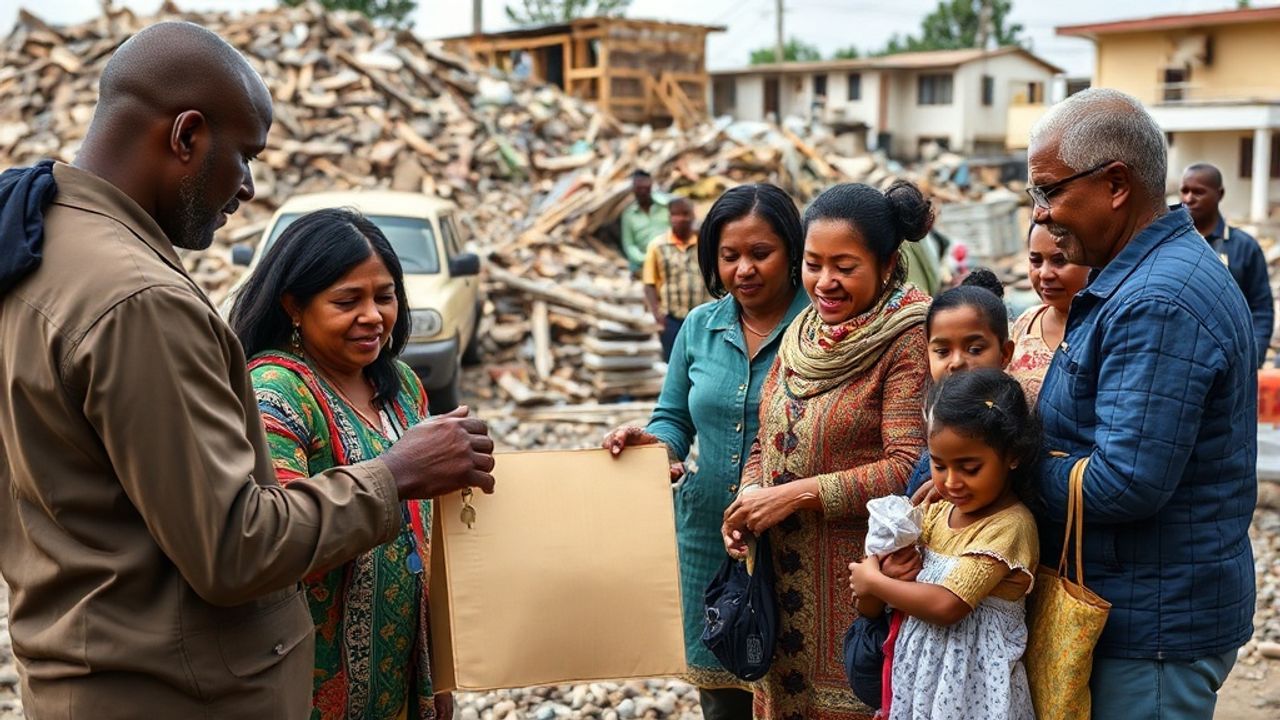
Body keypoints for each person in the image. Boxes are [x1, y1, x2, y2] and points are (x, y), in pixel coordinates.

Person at [0, 23, 494, 718]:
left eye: (384, 296)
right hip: (170, 694)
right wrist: (398, 473)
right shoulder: (138, 300)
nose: (249, 188)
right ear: (186, 136)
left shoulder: (38, 245)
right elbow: (236, 548)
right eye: (245, 156)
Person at [1027, 87, 1256, 718]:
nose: (1041, 214)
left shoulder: (1157, 300)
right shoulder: (1143, 277)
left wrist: (1012, 468)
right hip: (1145, 609)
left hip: (1151, 626)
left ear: (1116, 184)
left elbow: (1124, 482)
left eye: (1049, 191)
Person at [229, 209, 455, 720]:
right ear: (294, 305)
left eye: (385, 296)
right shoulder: (276, 392)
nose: (373, 316)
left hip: (402, 670)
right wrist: (396, 474)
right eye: (347, 301)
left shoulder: (400, 386)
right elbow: (275, 537)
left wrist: (440, 672)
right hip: (310, 683)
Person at [721, 181, 933, 720]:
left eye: (844, 266)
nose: (825, 282)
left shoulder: (909, 337)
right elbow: (766, 437)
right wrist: (749, 499)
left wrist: (795, 495)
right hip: (779, 585)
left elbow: (908, 467)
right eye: (813, 265)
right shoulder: (803, 333)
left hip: (860, 584)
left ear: (887, 265)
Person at [604, 183, 809, 719]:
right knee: (720, 696)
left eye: (760, 253)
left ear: (792, 251)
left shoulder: (821, 328)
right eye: (729, 256)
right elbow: (673, 418)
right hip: (706, 536)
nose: (744, 269)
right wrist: (656, 444)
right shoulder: (699, 327)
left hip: (798, 536)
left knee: (796, 687)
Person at [849, 369, 1040, 720]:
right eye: (939, 465)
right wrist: (883, 574)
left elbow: (948, 605)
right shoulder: (937, 512)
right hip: (921, 686)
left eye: (969, 468)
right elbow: (871, 597)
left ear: (1012, 455)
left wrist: (875, 581)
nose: (951, 482)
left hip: (975, 695)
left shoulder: (1009, 526)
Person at [903, 269, 1014, 497]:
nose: (956, 362)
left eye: (974, 349)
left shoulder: (1008, 418)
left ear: (1004, 353)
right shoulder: (930, 407)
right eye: (942, 351)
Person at [1180, 162, 1273, 367]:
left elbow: (1261, 309)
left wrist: (1253, 359)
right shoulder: (1172, 244)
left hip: (1232, 363)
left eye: (1198, 192)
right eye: (1184, 191)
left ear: (1219, 194)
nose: (1188, 199)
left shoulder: (1245, 247)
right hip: (1183, 360)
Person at [1008, 224, 1091, 407]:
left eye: (1060, 260)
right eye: (1036, 261)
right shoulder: (1026, 323)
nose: (1044, 274)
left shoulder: (1106, 327)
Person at [643, 196, 711, 361]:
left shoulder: (705, 243)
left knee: (701, 362)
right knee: (674, 364)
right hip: (671, 320)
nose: (680, 219)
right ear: (669, 217)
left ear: (693, 216)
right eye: (675, 214)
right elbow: (649, 283)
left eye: (685, 214)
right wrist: (657, 316)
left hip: (702, 319)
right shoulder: (657, 246)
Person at [620, 169, 671, 275]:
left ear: (651, 185)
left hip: (670, 258)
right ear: (633, 189)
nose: (642, 191)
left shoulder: (666, 205)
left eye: (645, 187)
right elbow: (629, 245)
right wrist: (646, 259)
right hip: (644, 265)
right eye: (639, 188)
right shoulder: (629, 215)